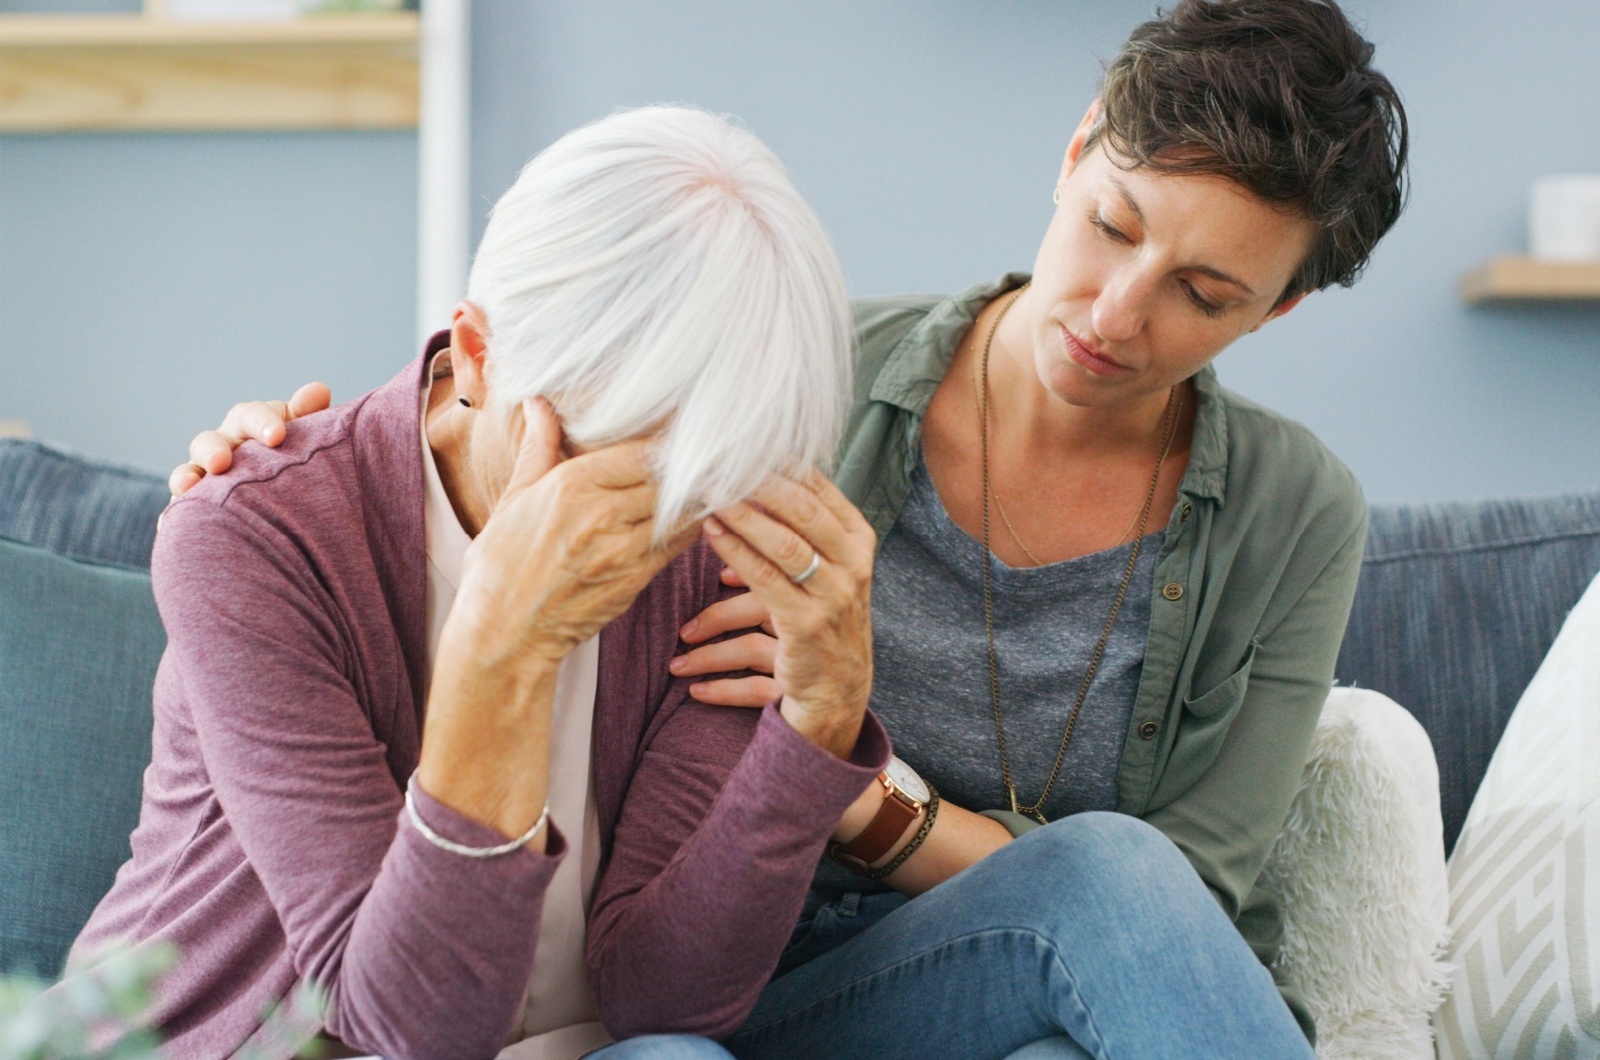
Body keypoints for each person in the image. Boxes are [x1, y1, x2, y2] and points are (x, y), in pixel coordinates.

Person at [174, 1, 1408, 1055]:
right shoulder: (766, 393)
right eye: (1113, 226)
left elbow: (1185, 906)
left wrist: (839, 754)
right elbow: (508, 403)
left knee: (1106, 908)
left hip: (955, 952)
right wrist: (277, 472)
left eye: (1204, 294)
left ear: (1277, 309)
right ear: (1077, 152)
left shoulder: (1289, 511)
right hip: (725, 982)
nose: (1118, 312)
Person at [67, 105, 893, 1060]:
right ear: (478, 354)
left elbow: (665, 998)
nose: (659, 528)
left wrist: (820, 724)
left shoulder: (711, 533)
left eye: (707, 473)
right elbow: (402, 1032)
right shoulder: (257, 534)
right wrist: (507, 643)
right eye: (612, 459)